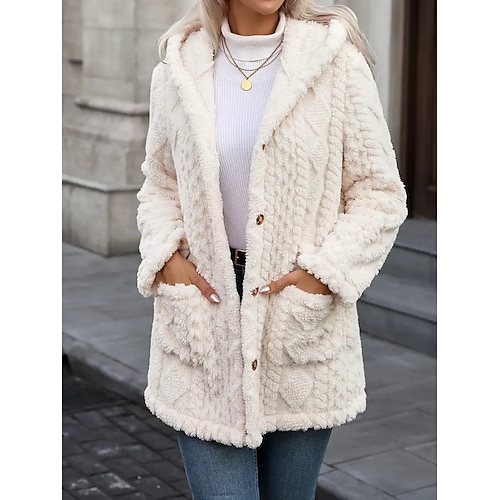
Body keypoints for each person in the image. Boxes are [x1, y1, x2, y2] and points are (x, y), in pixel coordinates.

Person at [135, 0, 408, 498]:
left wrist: (323, 274)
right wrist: (166, 258)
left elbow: (379, 193)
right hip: (205, 313)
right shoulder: (178, 68)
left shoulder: (333, 61)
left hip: (295, 317)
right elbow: (160, 183)